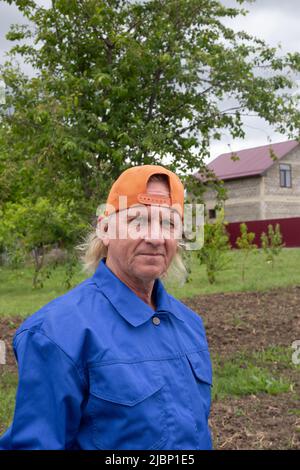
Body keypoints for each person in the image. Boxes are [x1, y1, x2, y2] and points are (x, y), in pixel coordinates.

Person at [0, 164, 213, 450]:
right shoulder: (55, 333)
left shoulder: (189, 326)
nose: (155, 237)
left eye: (169, 224)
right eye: (138, 221)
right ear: (106, 228)